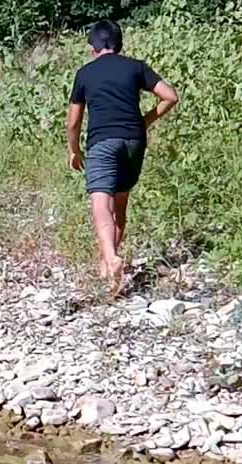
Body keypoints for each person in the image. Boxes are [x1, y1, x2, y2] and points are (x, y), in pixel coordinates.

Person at [66, 19, 179, 291]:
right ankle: (107, 268)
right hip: (134, 142)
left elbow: (73, 122)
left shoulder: (85, 73)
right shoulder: (135, 67)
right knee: (119, 207)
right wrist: (145, 121)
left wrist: (74, 151)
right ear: (119, 44)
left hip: (103, 142)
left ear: (93, 47)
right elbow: (170, 96)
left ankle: (111, 258)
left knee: (100, 203)